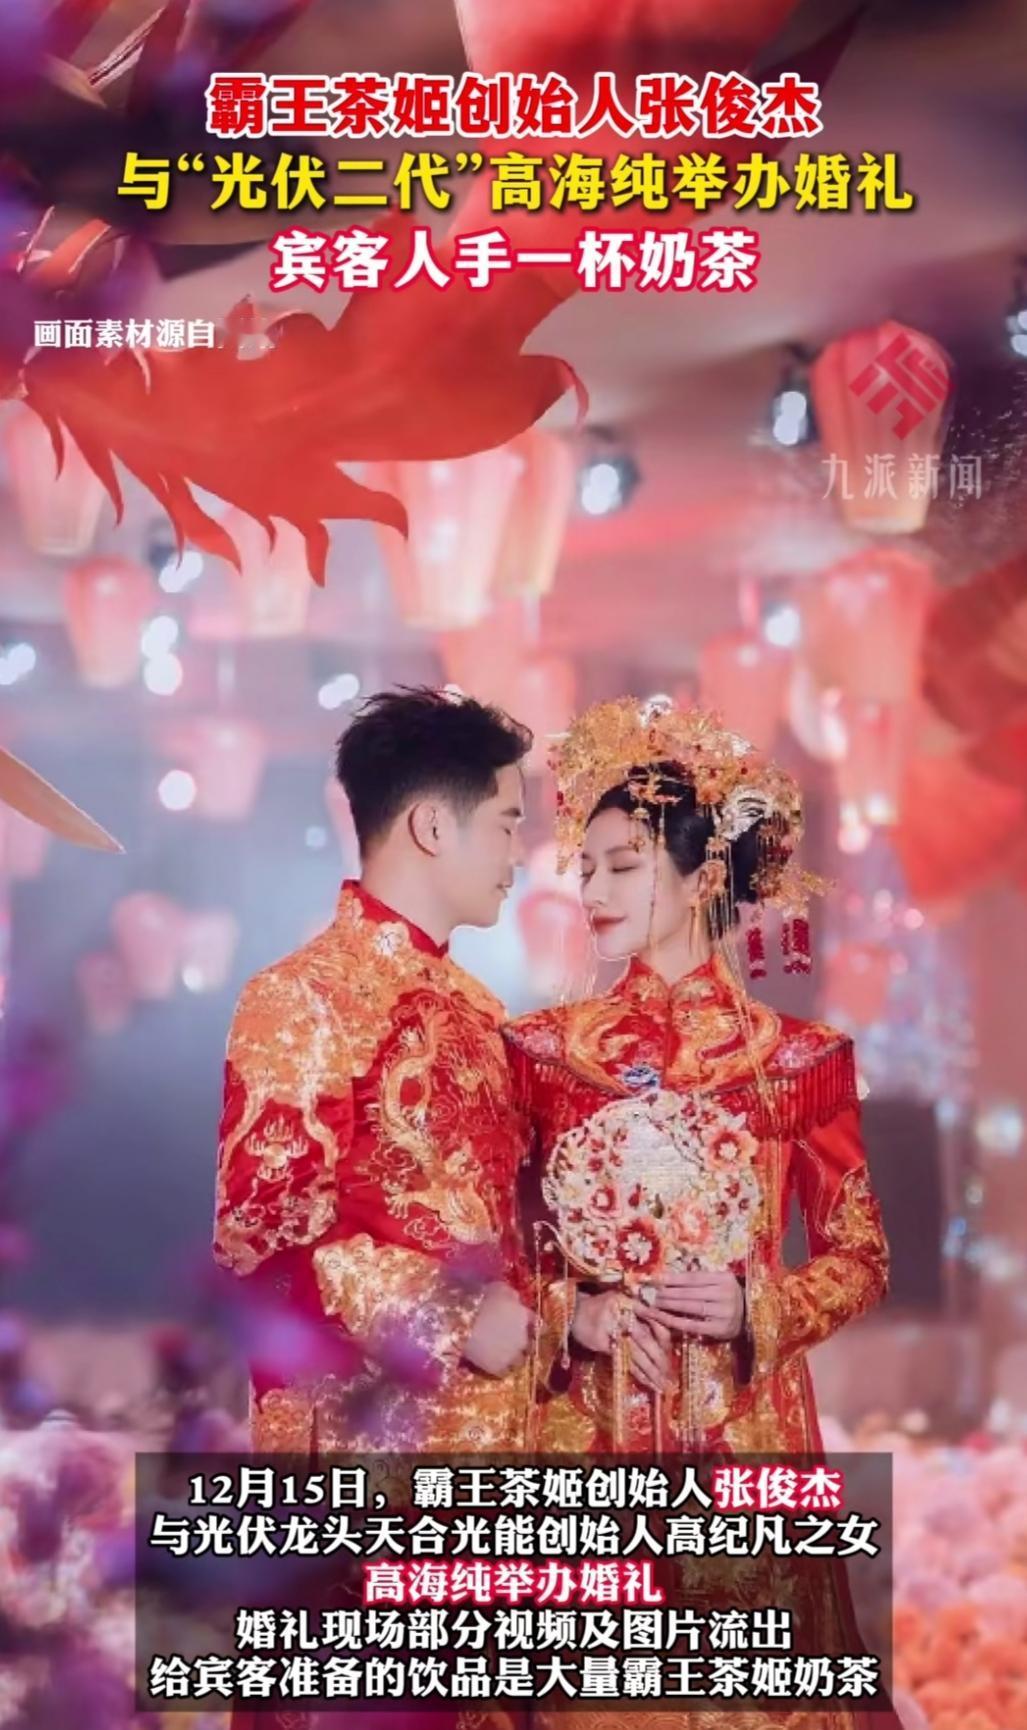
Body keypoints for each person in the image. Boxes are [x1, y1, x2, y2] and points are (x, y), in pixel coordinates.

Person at [502, 695, 896, 1730]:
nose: (590, 889)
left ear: (703, 878)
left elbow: (860, 1255)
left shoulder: (798, 1062)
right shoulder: (542, 1056)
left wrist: (756, 1305)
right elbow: (497, 1252)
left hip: (745, 1426)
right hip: (585, 1431)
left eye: (622, 865)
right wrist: (572, 1312)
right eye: (585, 867)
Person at [212, 686, 539, 1459]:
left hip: (497, 1437)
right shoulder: (303, 996)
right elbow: (259, 1236)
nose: (516, 855)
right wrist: (449, 1313)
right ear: (432, 826)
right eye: (506, 824)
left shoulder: (481, 1011)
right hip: (365, 1442)